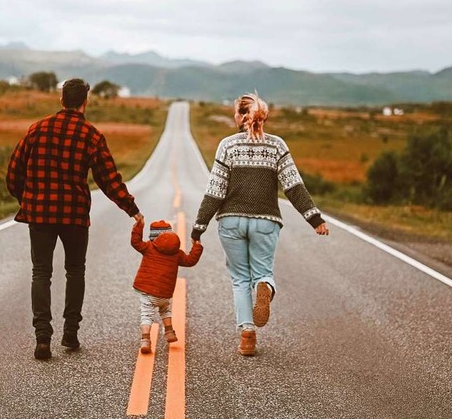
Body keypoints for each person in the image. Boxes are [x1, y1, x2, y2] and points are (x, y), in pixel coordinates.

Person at [6, 78, 144, 360]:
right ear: (85, 101)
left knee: (41, 272)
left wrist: (28, 199)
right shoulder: (90, 134)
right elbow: (108, 179)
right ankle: (70, 333)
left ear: (61, 100)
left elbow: (13, 172)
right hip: (74, 215)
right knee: (75, 270)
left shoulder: (37, 129)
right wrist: (132, 210)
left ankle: (42, 337)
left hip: (40, 213)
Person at [191, 92, 329, 356]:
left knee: (240, 279)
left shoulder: (227, 146)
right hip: (265, 221)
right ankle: (264, 285)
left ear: (241, 116)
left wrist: (199, 226)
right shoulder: (277, 146)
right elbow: (293, 186)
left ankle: (247, 336)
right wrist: (315, 219)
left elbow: (215, 190)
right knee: (260, 272)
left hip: (231, 220)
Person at [131, 219, 203, 354]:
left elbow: (135, 242)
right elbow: (190, 261)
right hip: (165, 294)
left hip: (148, 293)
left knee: (146, 315)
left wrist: (138, 226)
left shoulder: (148, 247)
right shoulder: (177, 253)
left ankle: (146, 339)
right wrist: (196, 246)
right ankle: (169, 332)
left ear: (153, 238)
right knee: (165, 310)